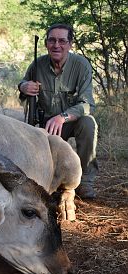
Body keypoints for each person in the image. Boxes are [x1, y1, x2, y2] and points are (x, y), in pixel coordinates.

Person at [18, 23, 98, 199]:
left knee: (88, 123)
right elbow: (23, 87)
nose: (56, 45)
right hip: (46, 125)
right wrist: (24, 87)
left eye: (62, 41)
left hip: (70, 121)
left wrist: (62, 117)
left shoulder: (81, 65)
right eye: (52, 40)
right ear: (46, 43)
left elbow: (87, 104)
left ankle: (86, 182)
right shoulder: (37, 65)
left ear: (70, 44)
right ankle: (48, 181)